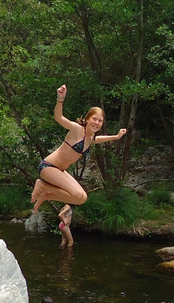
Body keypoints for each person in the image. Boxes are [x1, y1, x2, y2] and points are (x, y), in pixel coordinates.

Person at [30, 84, 127, 213]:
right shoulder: (77, 129)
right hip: (48, 167)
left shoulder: (90, 137)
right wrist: (60, 99)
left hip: (60, 170)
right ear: (87, 119)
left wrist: (116, 137)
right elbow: (59, 118)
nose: (97, 123)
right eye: (94, 119)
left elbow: (97, 140)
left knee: (81, 198)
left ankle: (47, 195)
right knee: (76, 194)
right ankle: (42, 185)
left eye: (100, 121)